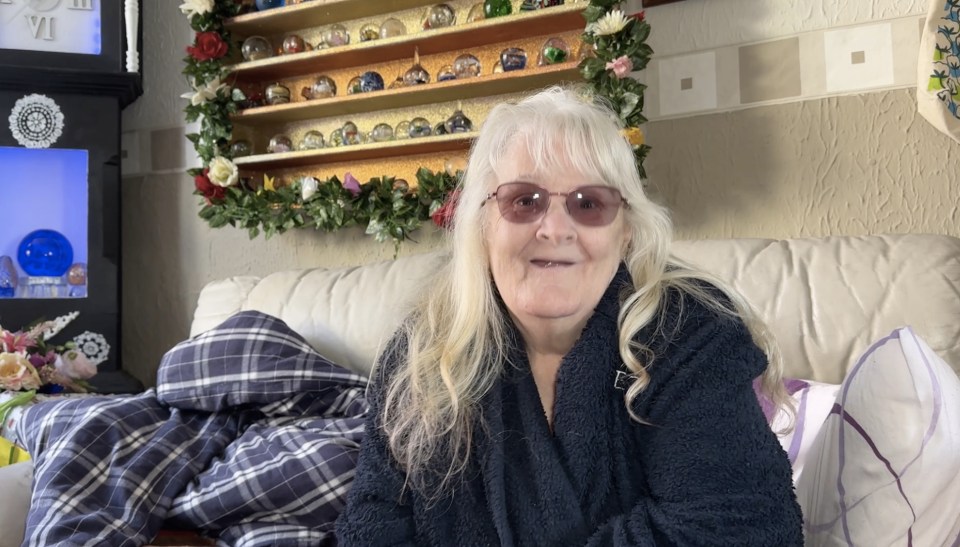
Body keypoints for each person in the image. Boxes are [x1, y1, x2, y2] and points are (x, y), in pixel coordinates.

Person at [336, 86, 803, 545]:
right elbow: (371, 530)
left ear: (626, 233)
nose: (556, 229)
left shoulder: (691, 335)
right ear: (482, 228)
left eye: (589, 204)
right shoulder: (418, 356)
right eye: (524, 201)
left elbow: (742, 526)